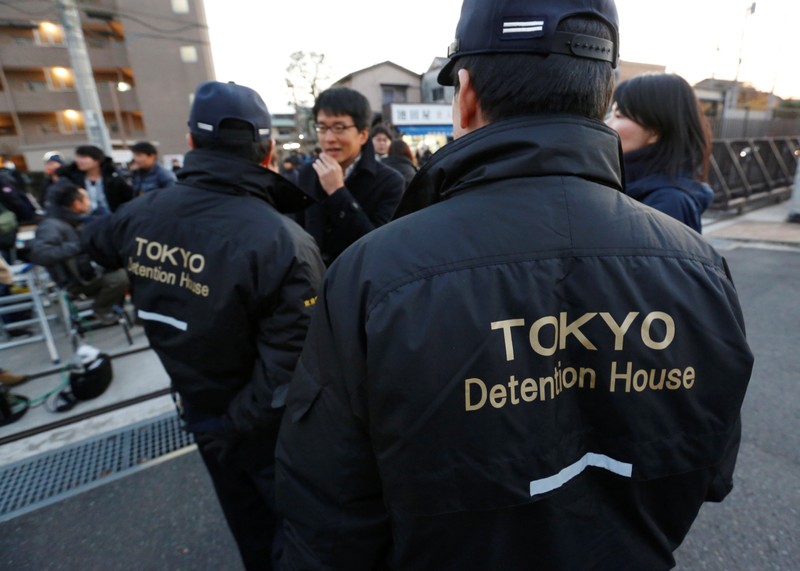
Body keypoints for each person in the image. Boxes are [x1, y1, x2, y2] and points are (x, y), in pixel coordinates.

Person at [275, 1, 754, 569]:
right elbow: (712, 470)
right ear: (603, 97)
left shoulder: (374, 273)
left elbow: (327, 507)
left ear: (468, 93)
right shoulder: (699, 267)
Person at [82, 80, 324, 571]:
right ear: (269, 150)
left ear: (191, 143)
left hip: (201, 406)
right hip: (265, 429)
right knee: (300, 535)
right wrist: (234, 426)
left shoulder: (140, 214)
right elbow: (291, 367)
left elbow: (94, 242)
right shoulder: (283, 241)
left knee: (248, 528)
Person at [295, 87, 404, 265]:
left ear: (363, 135)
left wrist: (338, 192)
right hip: (313, 285)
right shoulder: (308, 172)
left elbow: (379, 248)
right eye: (322, 128)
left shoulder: (390, 182)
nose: (329, 138)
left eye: (339, 127)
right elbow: (299, 233)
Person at [605, 72, 714, 233]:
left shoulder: (669, 202)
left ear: (655, 132)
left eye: (618, 115)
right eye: (610, 113)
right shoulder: (623, 181)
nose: (606, 123)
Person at [28, 183, 128, 324]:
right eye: (86, 199)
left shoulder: (75, 221)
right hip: (76, 281)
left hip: (90, 272)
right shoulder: (52, 225)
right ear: (76, 204)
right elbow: (40, 254)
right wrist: (79, 246)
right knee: (123, 277)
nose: (89, 203)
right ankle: (101, 309)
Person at [55, 145, 133, 214]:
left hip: (112, 219)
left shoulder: (113, 179)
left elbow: (127, 200)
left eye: (84, 157)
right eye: (78, 157)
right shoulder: (73, 179)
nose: (79, 160)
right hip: (84, 221)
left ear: (97, 160)